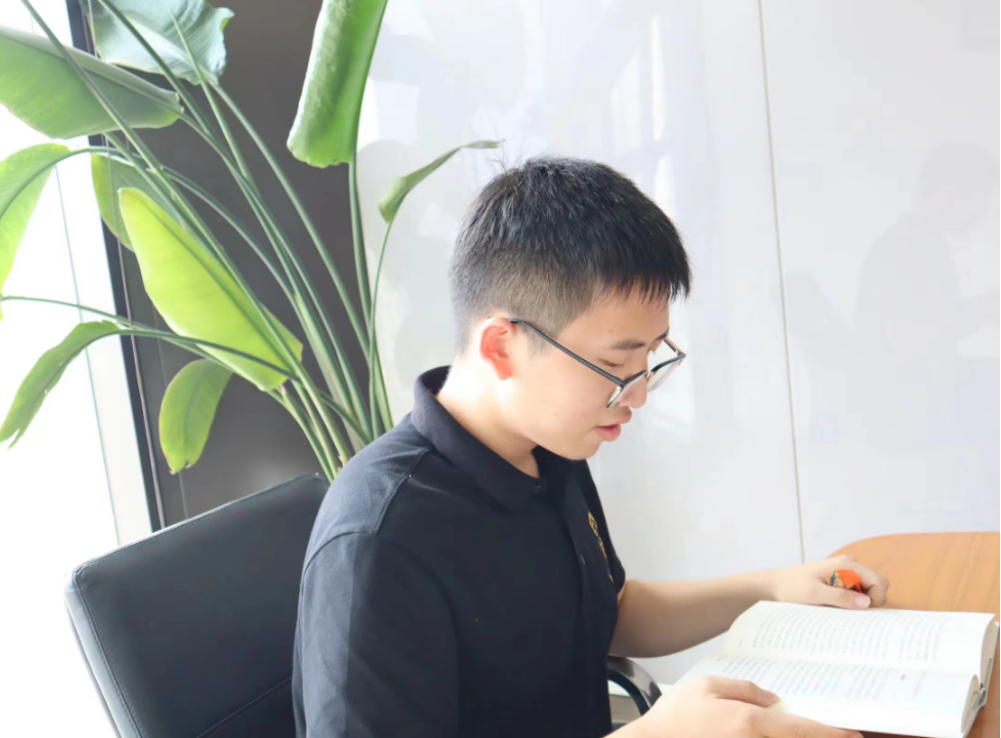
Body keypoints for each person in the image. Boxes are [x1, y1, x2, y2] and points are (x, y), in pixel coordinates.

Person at [291, 156, 888, 737]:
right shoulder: (379, 544)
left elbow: (607, 612)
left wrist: (773, 589)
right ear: (502, 346)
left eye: (650, 357)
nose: (639, 394)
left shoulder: (549, 447)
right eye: (615, 365)